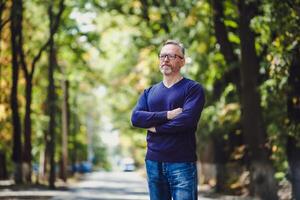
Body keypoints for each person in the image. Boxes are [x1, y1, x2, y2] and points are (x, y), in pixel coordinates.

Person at [131, 40, 205, 200]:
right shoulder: (149, 92)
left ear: (182, 61)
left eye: (171, 56)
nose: (165, 59)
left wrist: (156, 128)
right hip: (153, 162)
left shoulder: (193, 89)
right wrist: (167, 115)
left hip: (182, 162)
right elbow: (136, 118)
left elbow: (187, 121)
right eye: (162, 56)